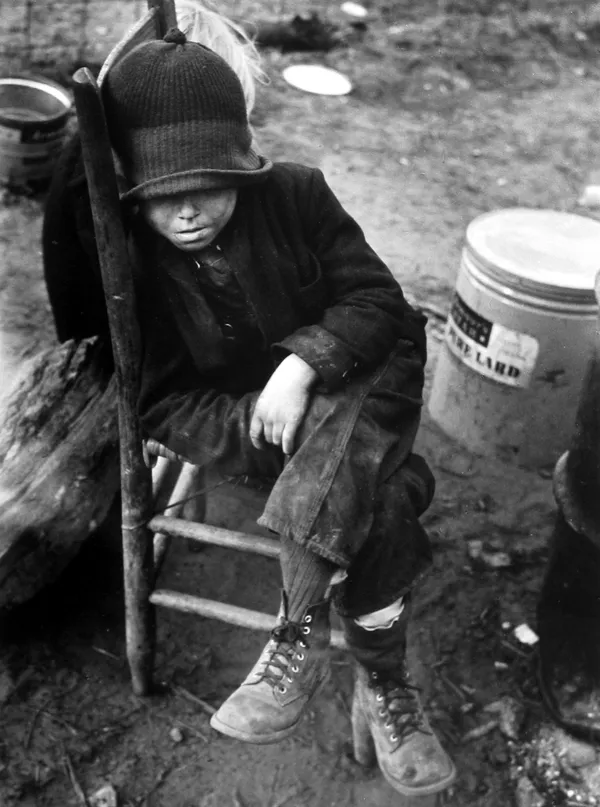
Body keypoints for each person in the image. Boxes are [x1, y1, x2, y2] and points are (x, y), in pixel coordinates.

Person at [44, 14, 457, 802]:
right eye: (165, 195)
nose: (189, 210)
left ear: (243, 165)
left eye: (209, 184)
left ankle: (295, 628)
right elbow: (163, 401)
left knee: (351, 411)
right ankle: (387, 683)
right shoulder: (136, 265)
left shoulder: (296, 193)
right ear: (136, 195)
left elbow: (380, 304)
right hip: (280, 431)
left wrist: (304, 363)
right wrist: (269, 421)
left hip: (367, 377)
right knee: (394, 499)